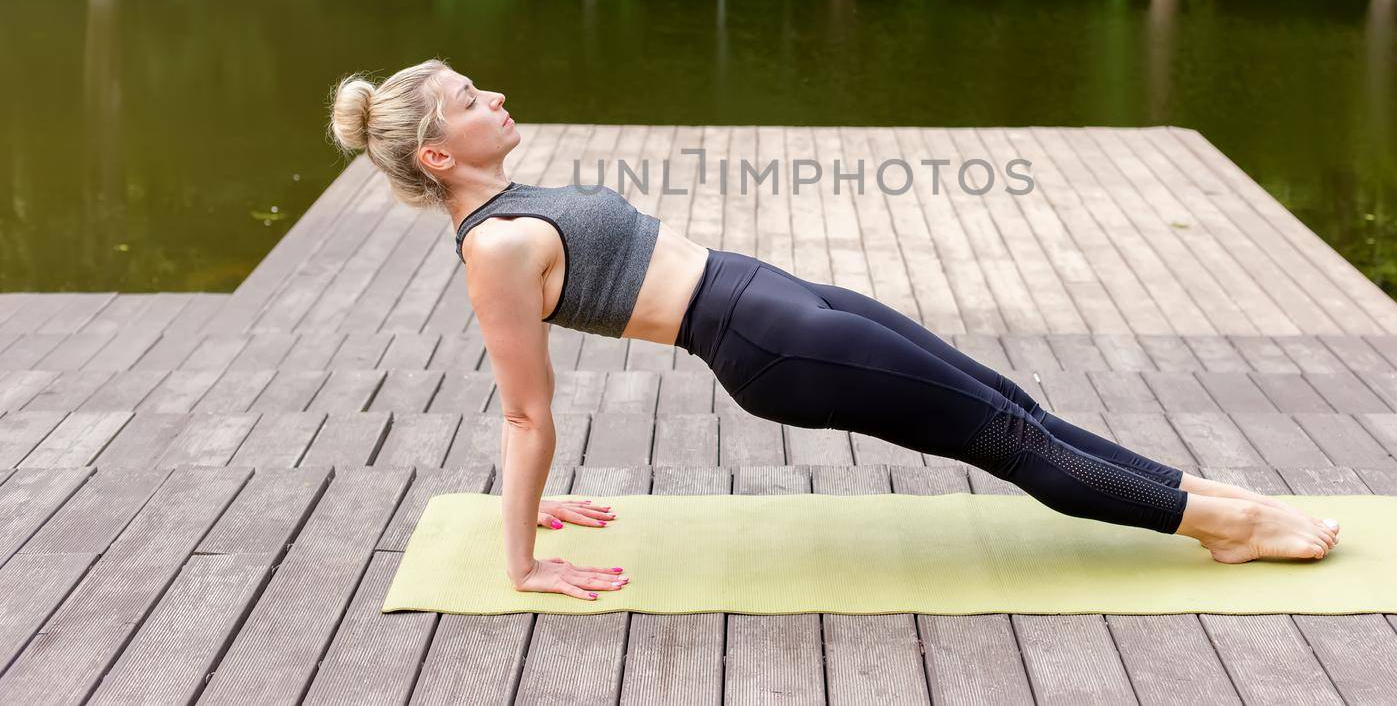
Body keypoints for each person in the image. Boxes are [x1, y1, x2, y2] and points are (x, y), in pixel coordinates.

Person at [328, 58, 1340, 603]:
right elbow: (523, 410)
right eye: (471, 100)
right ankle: (1233, 531)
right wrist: (523, 555)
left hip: (773, 293)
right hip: (764, 343)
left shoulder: (513, 192)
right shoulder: (492, 246)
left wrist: (539, 510)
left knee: (1012, 403)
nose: (493, 95)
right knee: (1006, 440)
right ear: (437, 152)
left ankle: (1201, 495)